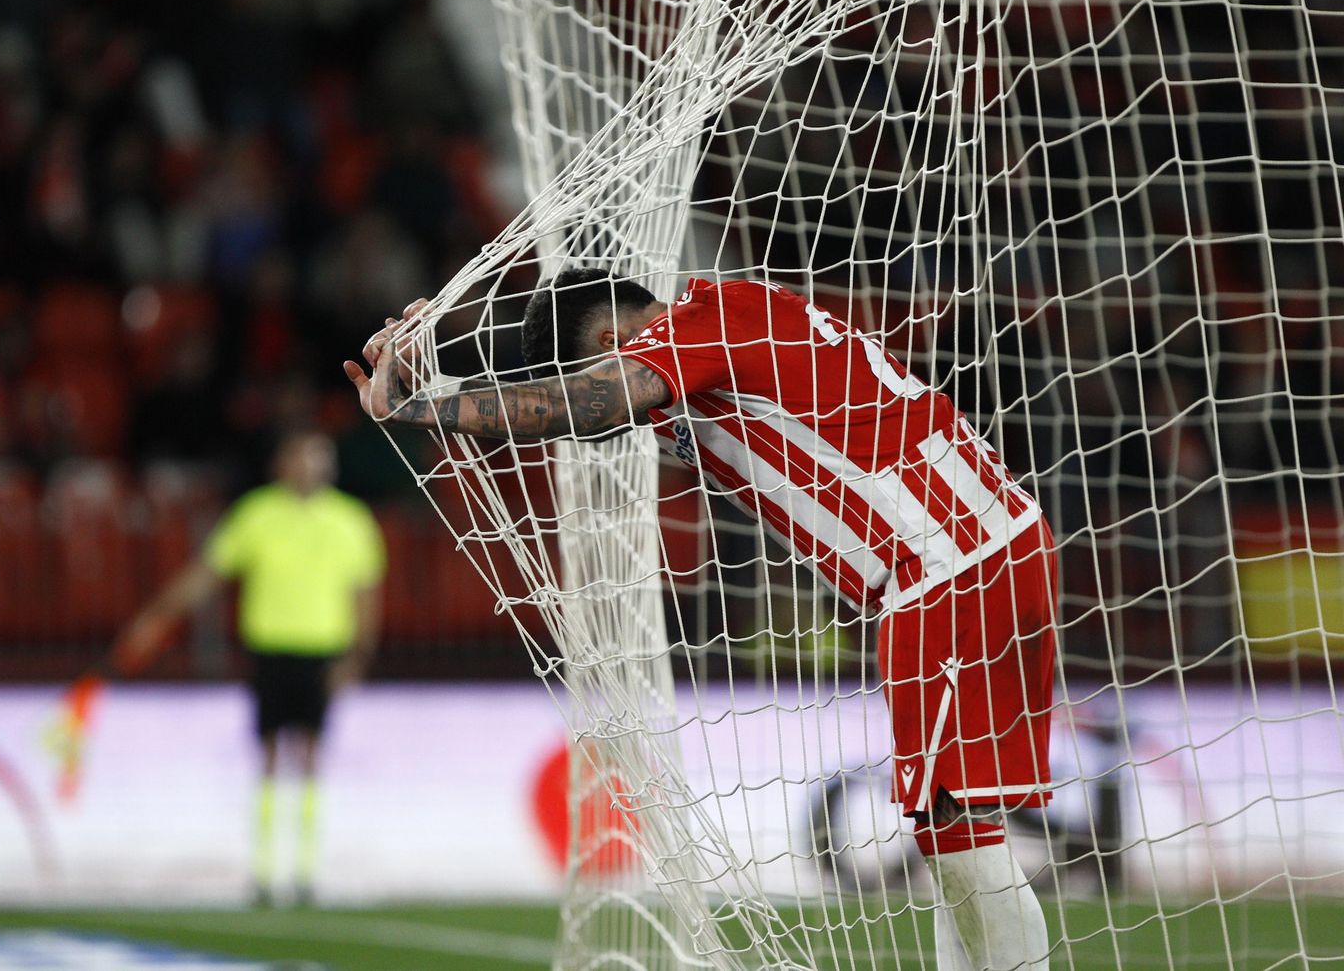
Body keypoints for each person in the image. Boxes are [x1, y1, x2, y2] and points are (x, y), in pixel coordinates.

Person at [345, 268, 1057, 971]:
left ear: (614, 339)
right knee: (958, 820)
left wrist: (423, 407)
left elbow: (589, 404)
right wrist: (443, 360)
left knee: (952, 823)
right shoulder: (715, 344)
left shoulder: (704, 321)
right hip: (989, 548)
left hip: (946, 564)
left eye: (595, 367)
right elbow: (579, 413)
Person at [117, 429, 385, 906]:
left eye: (318, 459)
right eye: (301, 457)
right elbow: (209, 572)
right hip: (270, 648)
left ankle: (304, 870)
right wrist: (160, 614)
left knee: (311, 754)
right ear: (280, 464)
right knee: (268, 752)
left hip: (322, 650)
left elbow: (366, 592)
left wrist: (357, 655)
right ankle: (263, 869)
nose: (310, 468)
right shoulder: (257, 514)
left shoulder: (351, 520)